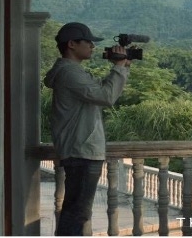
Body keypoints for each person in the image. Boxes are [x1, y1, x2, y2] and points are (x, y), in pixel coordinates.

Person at [44, 22, 131, 236]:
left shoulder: (74, 72)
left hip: (80, 149)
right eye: (88, 42)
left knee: (77, 212)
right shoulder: (70, 73)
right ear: (72, 44)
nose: (92, 47)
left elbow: (99, 91)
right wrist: (118, 68)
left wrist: (122, 67)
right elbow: (106, 96)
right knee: (77, 214)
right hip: (81, 151)